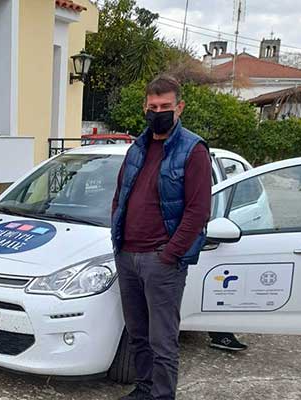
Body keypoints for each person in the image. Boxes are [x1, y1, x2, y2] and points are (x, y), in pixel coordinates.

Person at [111, 75, 212, 400]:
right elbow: (120, 196)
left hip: (162, 261)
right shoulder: (137, 148)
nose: (158, 112)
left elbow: (198, 211)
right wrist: (118, 243)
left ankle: (163, 395)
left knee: (162, 340)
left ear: (179, 107)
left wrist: (170, 254)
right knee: (137, 334)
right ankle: (144, 389)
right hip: (127, 256)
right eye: (152, 107)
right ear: (145, 107)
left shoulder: (193, 150)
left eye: (165, 106)